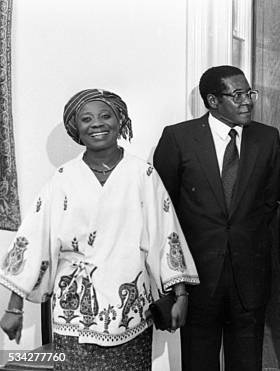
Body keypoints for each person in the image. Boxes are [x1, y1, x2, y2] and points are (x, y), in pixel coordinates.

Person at [0, 89, 200, 370]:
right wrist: (14, 307)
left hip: (130, 314)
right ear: (76, 129)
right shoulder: (63, 179)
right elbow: (34, 239)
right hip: (73, 317)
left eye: (106, 116)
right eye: (86, 119)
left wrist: (180, 295)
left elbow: (167, 235)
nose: (97, 123)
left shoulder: (142, 175)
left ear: (120, 121)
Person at [153, 65, 280, 370]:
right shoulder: (178, 138)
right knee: (198, 361)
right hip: (197, 277)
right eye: (237, 95)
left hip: (249, 276)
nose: (247, 101)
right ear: (212, 100)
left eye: (249, 93)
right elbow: (163, 209)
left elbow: (270, 201)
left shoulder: (267, 138)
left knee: (248, 361)